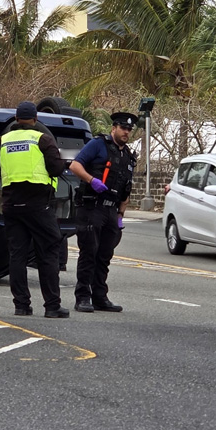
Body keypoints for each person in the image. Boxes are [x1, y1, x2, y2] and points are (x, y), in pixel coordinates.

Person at [0, 101, 70, 318]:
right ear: (35, 119)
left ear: (16, 119)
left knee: (17, 256)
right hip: (39, 205)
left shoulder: (2, 141)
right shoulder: (42, 139)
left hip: (12, 205)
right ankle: (52, 306)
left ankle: (21, 305)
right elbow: (57, 168)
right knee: (48, 253)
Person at [68, 112, 138, 313]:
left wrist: (120, 215)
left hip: (111, 210)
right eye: (123, 128)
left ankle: (100, 296)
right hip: (92, 206)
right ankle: (82, 297)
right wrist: (91, 180)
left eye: (129, 130)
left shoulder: (128, 156)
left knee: (105, 255)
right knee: (89, 253)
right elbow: (75, 165)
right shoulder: (98, 144)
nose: (126, 132)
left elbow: (127, 188)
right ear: (114, 128)